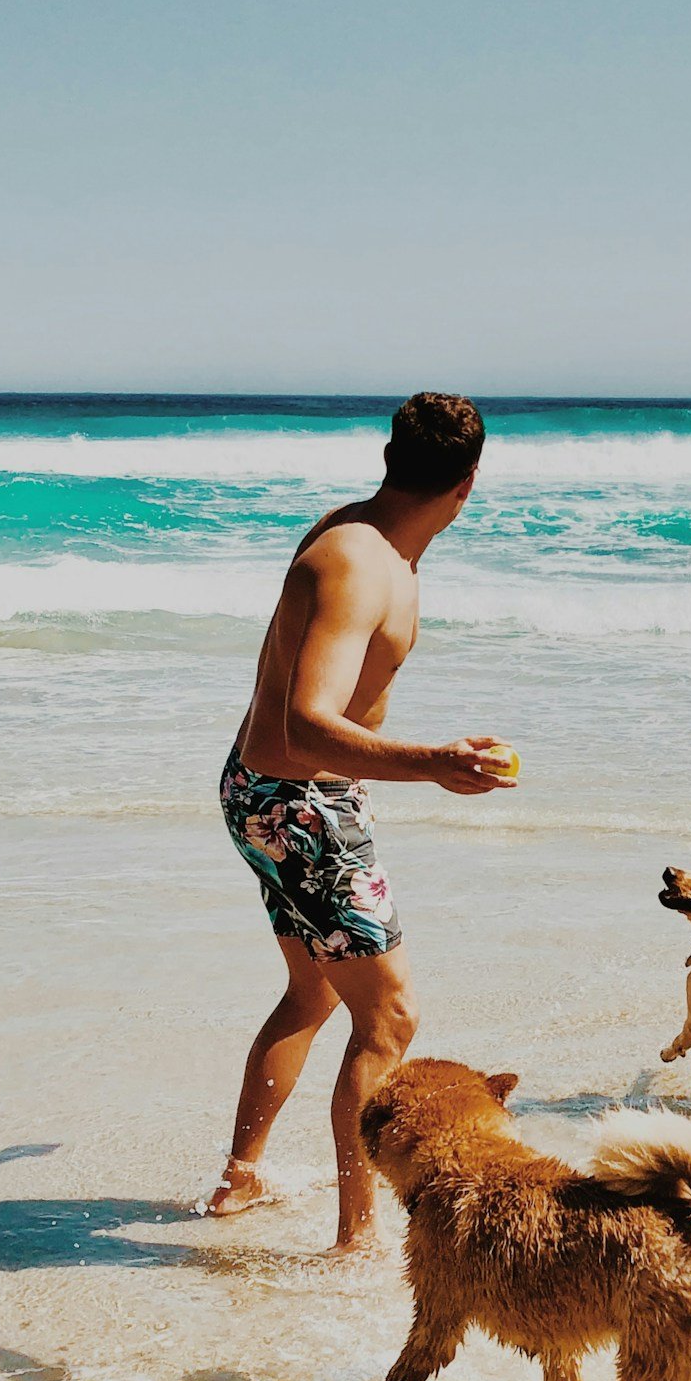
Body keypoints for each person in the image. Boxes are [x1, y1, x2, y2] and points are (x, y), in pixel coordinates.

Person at [206, 391, 511, 1246]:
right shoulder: (360, 563)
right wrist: (435, 764)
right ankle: (356, 1238)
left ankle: (240, 1178)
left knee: (311, 991)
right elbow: (307, 721)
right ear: (468, 484)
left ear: (389, 457)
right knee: (388, 1020)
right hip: (297, 802)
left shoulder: (357, 532)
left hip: (263, 794)